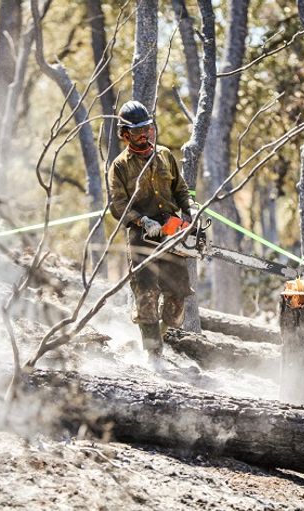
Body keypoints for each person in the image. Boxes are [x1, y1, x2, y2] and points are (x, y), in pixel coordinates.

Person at [107, 100, 198, 359]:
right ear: (125, 135)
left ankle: (161, 333)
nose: (144, 135)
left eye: (147, 128)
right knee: (146, 292)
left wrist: (190, 212)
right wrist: (142, 221)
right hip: (141, 234)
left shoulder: (164, 155)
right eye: (137, 131)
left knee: (178, 294)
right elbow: (118, 205)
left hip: (171, 231)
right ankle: (152, 353)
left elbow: (181, 189)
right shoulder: (120, 166)